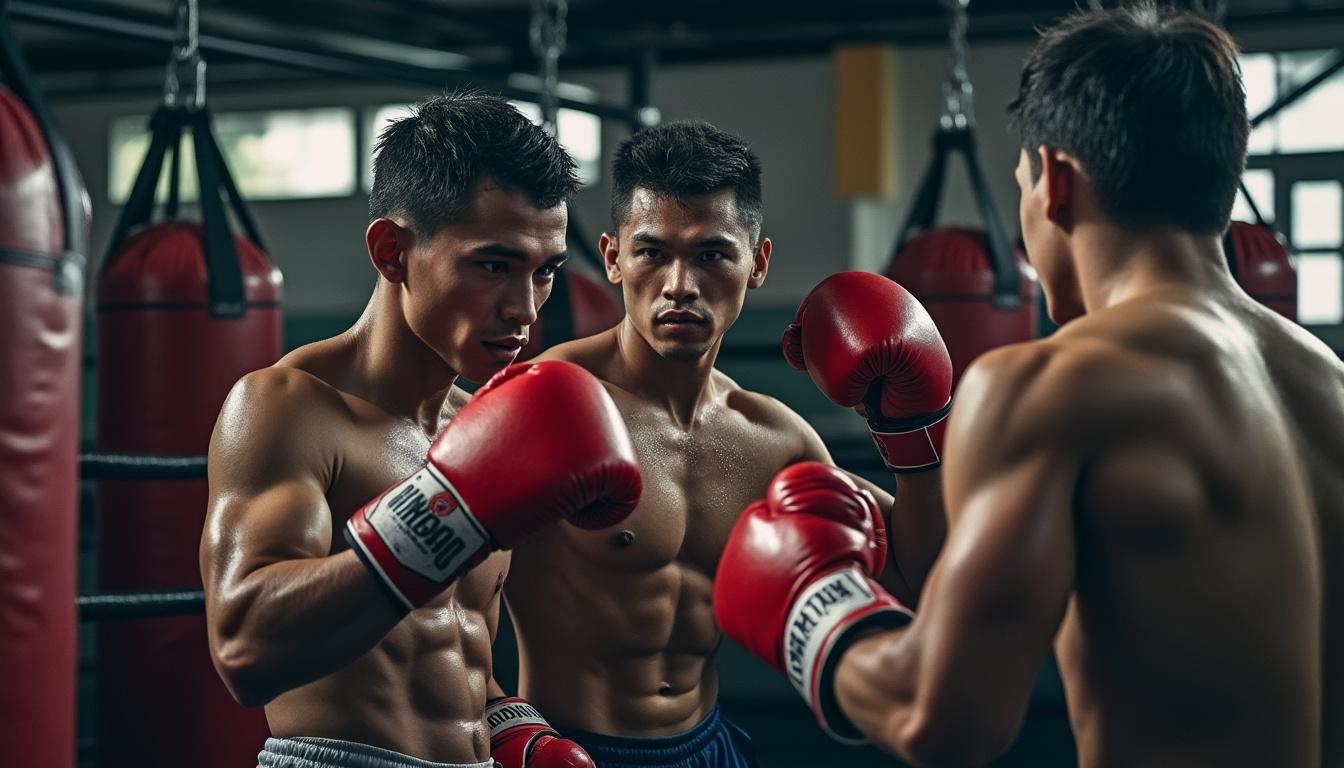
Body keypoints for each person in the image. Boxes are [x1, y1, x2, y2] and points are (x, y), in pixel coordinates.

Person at [713, 4, 1344, 766]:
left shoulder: (1052, 384)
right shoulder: (1329, 384)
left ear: (1054, 182)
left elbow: (941, 718)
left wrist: (810, 605)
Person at [200, 90, 643, 768]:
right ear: (392, 252)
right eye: (492, 265)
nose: (524, 309)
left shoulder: (483, 426)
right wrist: (453, 510)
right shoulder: (288, 408)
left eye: (545, 271)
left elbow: (454, 652)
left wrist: (519, 735)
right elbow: (245, 648)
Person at [491, 120, 946, 768]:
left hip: (711, 749)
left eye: (711, 254)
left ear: (756, 263)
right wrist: (502, 724)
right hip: (564, 754)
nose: (680, 284)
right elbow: (435, 611)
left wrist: (911, 436)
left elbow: (919, 582)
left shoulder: (776, 440)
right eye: (652, 253)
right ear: (613, 257)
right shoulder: (538, 405)